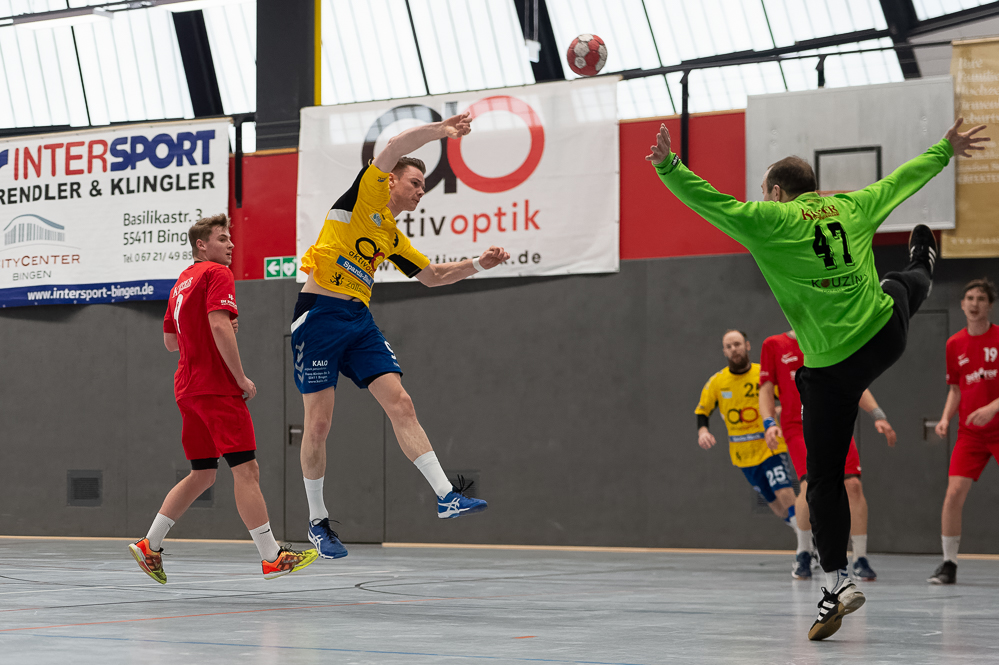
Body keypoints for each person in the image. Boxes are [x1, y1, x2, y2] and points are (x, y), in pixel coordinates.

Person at [647, 117, 989, 640]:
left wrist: (670, 167)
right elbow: (901, 180)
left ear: (776, 192)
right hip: (884, 335)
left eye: (764, 190)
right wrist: (944, 149)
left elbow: (710, 202)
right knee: (902, 285)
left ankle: (836, 583)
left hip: (832, 368)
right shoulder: (851, 205)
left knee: (823, 479)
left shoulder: (770, 220)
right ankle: (923, 262)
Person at [293, 112, 510, 559]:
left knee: (402, 404)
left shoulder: (390, 236)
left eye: (423, 186)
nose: (420, 190)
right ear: (391, 181)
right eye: (415, 182)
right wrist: (442, 131)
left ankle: (446, 496)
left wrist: (478, 264)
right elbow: (393, 147)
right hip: (319, 316)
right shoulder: (365, 194)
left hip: (358, 320)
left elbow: (432, 276)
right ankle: (317, 521)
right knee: (318, 424)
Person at [129, 215, 318, 583]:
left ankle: (150, 544)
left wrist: (209, 326)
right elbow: (218, 324)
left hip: (187, 388)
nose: (230, 245)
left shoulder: (181, 283)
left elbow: (170, 342)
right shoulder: (217, 273)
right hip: (215, 387)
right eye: (222, 238)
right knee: (247, 470)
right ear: (202, 245)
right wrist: (240, 377)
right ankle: (272, 557)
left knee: (202, 473)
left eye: (230, 239)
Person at [760, 329, 898, 581]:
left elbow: (854, 381)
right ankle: (804, 553)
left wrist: (878, 415)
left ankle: (860, 558)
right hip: (797, 425)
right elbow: (766, 390)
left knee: (853, 485)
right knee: (809, 484)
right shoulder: (774, 344)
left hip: (835, 420)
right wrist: (769, 422)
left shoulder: (830, 336)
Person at [928, 277, 999, 585]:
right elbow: (955, 390)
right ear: (961, 304)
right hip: (970, 433)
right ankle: (949, 564)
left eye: (981, 298)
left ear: (990, 305)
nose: (974, 303)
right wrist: (945, 418)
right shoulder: (954, 344)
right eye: (969, 298)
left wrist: (993, 407)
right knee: (954, 493)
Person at [696, 330, 797, 531]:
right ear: (724, 351)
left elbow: (789, 397)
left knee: (783, 489)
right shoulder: (717, 382)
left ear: (747, 346)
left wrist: (779, 411)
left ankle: (807, 541)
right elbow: (702, 411)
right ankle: (801, 529)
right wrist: (703, 432)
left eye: (737, 344)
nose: (734, 349)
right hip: (743, 454)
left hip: (770, 446)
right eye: (729, 346)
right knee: (775, 504)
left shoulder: (763, 374)